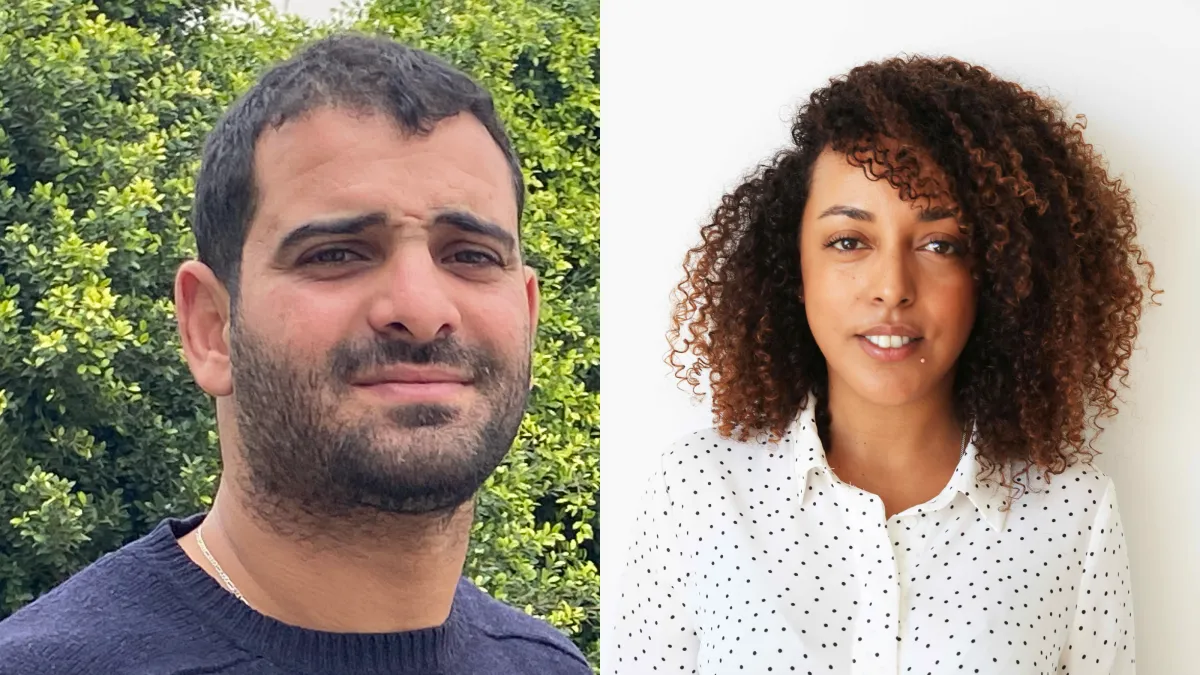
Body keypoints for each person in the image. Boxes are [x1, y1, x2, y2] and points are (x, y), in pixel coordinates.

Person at [0, 33, 591, 675]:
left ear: (528, 315)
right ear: (210, 327)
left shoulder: (547, 664)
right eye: (336, 254)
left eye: (471, 256)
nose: (421, 309)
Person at [612, 56, 1153, 673]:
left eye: (941, 245)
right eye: (849, 242)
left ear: (997, 277)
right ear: (794, 268)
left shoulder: (1073, 514)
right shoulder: (698, 490)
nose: (892, 287)